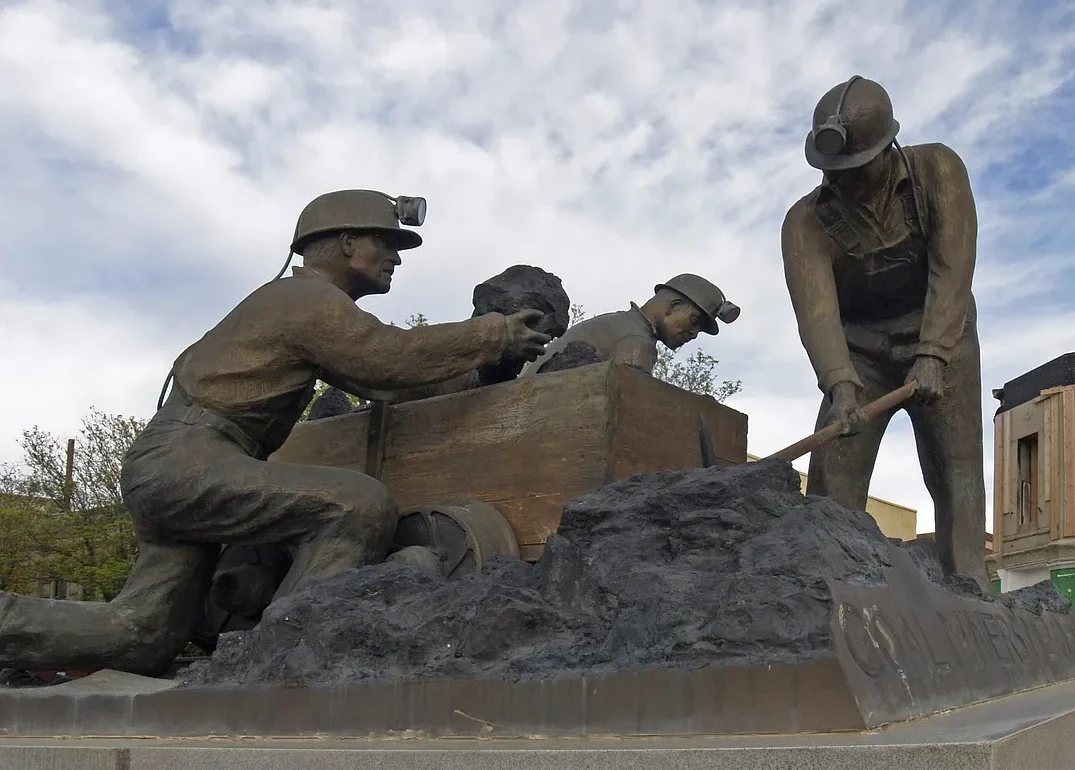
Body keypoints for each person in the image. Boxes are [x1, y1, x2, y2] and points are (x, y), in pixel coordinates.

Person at [0, 189, 551, 676]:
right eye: (386, 243)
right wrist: (493, 334)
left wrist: (483, 367)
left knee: (140, 635)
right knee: (355, 504)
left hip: (184, 462)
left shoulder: (306, 309)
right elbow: (387, 358)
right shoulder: (306, 300)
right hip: (188, 457)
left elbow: (387, 386)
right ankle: (278, 662)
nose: (394, 259)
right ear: (342, 242)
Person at [780, 75, 989, 590]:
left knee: (955, 473)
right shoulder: (806, 221)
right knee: (833, 479)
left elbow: (953, 267)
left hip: (942, 331)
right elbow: (818, 313)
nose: (842, 180)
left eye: (854, 168)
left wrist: (935, 353)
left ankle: (970, 592)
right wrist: (840, 385)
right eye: (833, 170)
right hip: (859, 352)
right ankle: (828, 596)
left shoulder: (938, 169)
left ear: (888, 147)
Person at [521, 274, 739, 376]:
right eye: (695, 321)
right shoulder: (637, 341)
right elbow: (633, 400)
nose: (694, 334)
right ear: (673, 306)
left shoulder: (618, 322)